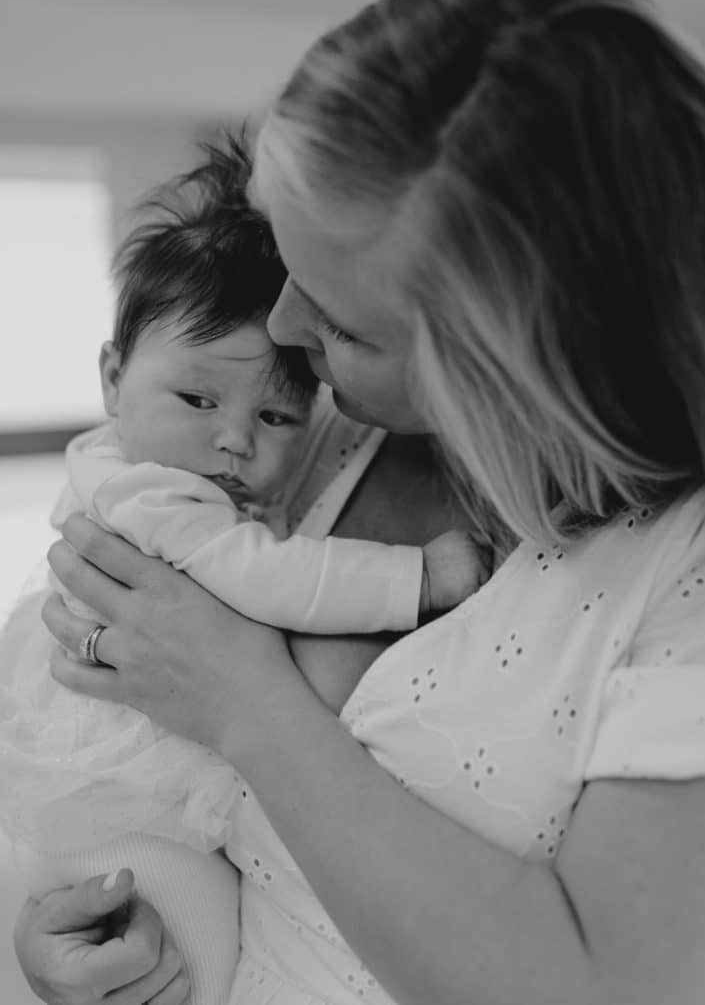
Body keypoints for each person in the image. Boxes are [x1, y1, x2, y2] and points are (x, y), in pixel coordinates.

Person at [16, 0, 705, 1004]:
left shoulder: (680, 573)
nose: (287, 329)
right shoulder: (317, 433)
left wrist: (250, 701)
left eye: (342, 319)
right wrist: (90, 934)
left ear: (508, 367)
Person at [2, 137, 479, 1005]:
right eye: (197, 400)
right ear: (112, 377)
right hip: (113, 797)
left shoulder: (157, 462)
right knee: (183, 956)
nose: (234, 440)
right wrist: (417, 579)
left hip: (119, 800)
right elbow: (268, 576)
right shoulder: (148, 495)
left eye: (274, 416)